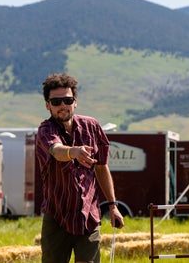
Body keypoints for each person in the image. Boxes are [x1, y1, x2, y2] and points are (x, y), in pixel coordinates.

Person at [36, 73, 124, 263]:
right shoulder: (45, 130)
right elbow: (56, 150)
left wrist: (113, 206)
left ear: (75, 102)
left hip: (88, 216)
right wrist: (73, 152)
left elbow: (101, 168)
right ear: (47, 105)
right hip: (57, 216)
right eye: (56, 101)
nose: (62, 106)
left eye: (67, 100)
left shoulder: (92, 127)